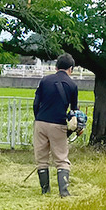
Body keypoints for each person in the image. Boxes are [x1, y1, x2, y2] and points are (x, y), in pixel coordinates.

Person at [33, 53, 79, 197]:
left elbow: (36, 104)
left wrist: (38, 119)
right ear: (70, 68)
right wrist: (74, 129)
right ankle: (64, 192)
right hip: (58, 124)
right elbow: (73, 112)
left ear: (56, 67)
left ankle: (45, 191)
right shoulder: (72, 85)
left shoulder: (45, 80)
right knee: (61, 159)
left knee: (42, 159)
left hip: (40, 122)